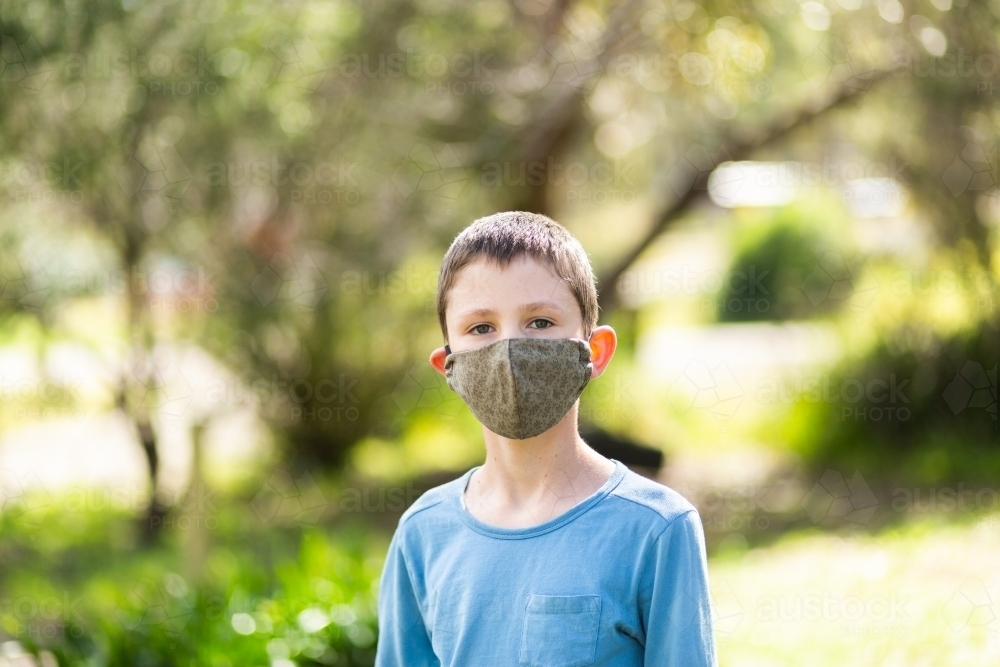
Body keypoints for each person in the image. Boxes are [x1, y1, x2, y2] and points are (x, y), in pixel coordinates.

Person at [375, 211, 717, 667]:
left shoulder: (657, 529)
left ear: (594, 352)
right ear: (449, 367)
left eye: (539, 322)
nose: (510, 348)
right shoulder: (422, 533)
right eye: (481, 328)